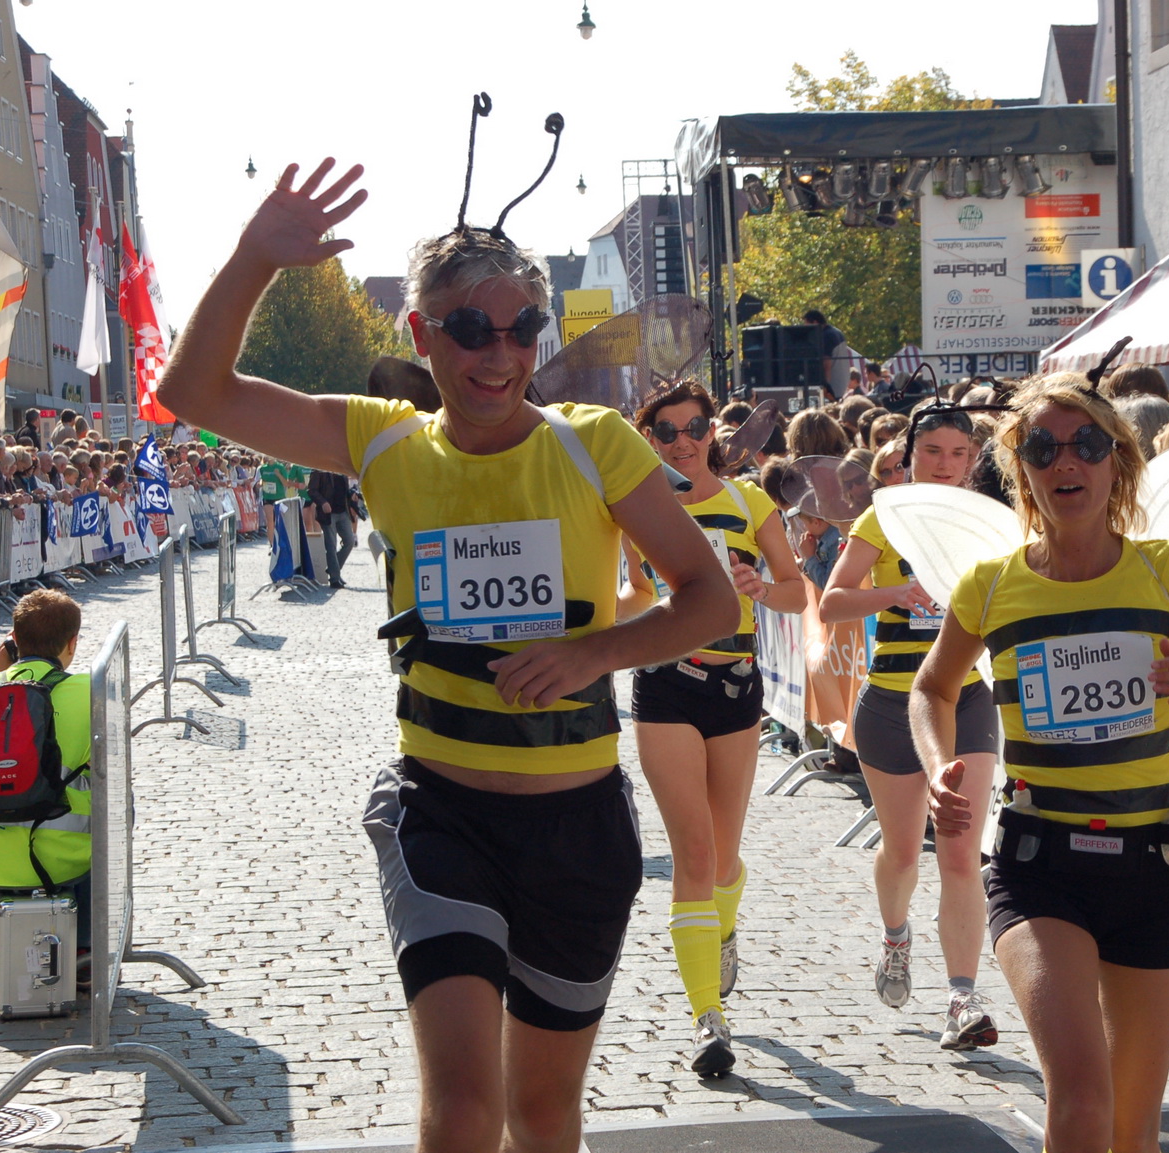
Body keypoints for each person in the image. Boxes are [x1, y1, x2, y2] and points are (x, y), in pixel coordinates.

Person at [157, 158, 737, 1153]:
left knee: (543, 1113)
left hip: (578, 827)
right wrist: (256, 256)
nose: (499, 351)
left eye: (521, 329)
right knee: (466, 1111)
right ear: (423, 337)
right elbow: (194, 390)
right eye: (471, 328)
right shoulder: (383, 442)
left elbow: (709, 597)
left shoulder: (595, 442)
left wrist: (593, 650)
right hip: (443, 815)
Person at [910, 374, 1169, 1153]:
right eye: (1043, 446)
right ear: (1022, 468)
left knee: (1131, 1129)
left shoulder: (1163, 571)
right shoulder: (992, 584)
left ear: (1117, 461)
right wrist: (943, 763)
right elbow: (931, 688)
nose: (1065, 461)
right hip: (1038, 862)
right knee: (1081, 1102)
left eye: (1086, 443)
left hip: (1153, 864)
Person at [617, 381, 806, 1076]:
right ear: (649, 441)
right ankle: (708, 1018)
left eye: (694, 427)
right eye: (666, 432)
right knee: (693, 853)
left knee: (724, 856)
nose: (683, 441)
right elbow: (635, 593)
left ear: (710, 433)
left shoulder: (748, 500)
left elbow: (798, 590)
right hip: (664, 684)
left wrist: (760, 588)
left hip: (735, 687)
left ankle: (722, 928)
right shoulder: (636, 510)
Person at [820, 405, 1002, 1052]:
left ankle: (962, 997)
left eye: (959, 452)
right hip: (890, 704)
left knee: (960, 850)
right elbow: (831, 600)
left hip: (966, 700)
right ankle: (896, 936)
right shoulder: (885, 516)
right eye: (933, 451)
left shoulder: (988, 522)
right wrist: (892, 596)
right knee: (902, 852)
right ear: (911, 451)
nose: (946, 464)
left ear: (973, 458)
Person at [0, 591, 93, 993]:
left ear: (14, 640)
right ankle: (83, 953)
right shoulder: (91, 691)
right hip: (63, 862)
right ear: (72, 643)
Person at [308, 468, 359, 589]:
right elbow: (312, 490)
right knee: (331, 545)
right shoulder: (318, 467)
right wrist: (323, 502)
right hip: (328, 514)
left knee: (350, 541)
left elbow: (344, 489)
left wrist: (352, 493)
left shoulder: (339, 467)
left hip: (343, 511)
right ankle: (335, 578)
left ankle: (333, 569)